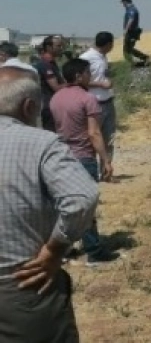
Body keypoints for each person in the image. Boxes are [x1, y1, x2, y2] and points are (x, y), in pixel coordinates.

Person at [0, 66, 99, 342]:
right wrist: (55, 249)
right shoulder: (41, 143)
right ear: (30, 107)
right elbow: (82, 199)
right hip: (23, 286)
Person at [49, 59, 118, 265]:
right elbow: (94, 133)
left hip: (61, 156)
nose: (91, 77)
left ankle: (65, 247)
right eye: (88, 73)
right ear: (78, 76)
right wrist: (106, 160)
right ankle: (94, 251)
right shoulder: (88, 99)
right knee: (86, 206)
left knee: (63, 204)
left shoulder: (56, 97)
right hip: (83, 157)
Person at [79, 33, 118, 164]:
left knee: (109, 138)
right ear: (108, 44)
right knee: (93, 139)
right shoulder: (86, 58)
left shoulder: (104, 57)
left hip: (107, 102)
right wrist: (100, 84)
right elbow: (79, 81)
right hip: (93, 104)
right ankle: (91, 172)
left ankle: (106, 170)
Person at [34, 35, 66, 132]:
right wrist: (73, 83)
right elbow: (56, 87)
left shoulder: (52, 63)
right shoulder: (44, 65)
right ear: (48, 47)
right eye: (58, 46)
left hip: (54, 105)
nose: (61, 48)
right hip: (49, 107)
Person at [120, 0, 151, 67]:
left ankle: (141, 60)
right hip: (130, 32)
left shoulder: (132, 9)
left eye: (123, 3)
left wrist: (126, 30)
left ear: (125, 1)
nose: (122, 5)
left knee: (127, 50)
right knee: (128, 50)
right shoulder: (129, 9)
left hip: (131, 32)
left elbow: (131, 19)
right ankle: (141, 59)